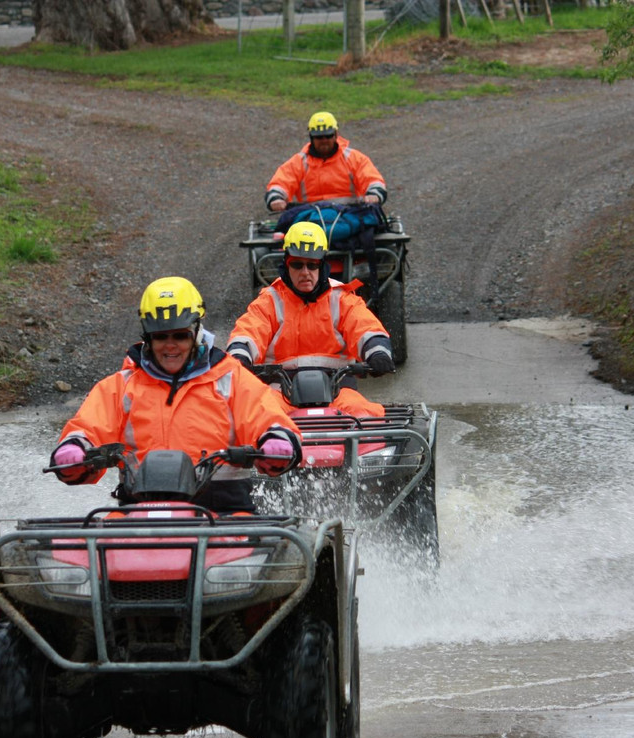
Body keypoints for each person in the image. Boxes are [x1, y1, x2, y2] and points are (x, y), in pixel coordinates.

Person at [50, 276, 302, 513]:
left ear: (197, 332)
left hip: (225, 516)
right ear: (147, 338)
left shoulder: (231, 379)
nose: (170, 345)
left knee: (281, 554)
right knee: (91, 554)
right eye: (161, 337)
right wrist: (75, 448)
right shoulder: (121, 387)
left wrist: (276, 440)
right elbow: (88, 427)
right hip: (136, 518)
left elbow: (267, 417)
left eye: (180, 335)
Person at [226, 222, 395, 418]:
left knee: (366, 416)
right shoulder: (269, 301)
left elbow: (365, 328)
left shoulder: (342, 298)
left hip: (338, 390)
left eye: (312, 265)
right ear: (286, 265)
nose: (305, 272)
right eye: (297, 264)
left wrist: (378, 352)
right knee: (259, 417)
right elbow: (248, 332)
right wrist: (239, 357)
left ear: (322, 266)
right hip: (280, 391)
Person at [265, 111, 387, 213]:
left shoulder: (354, 158)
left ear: (336, 135)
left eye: (328, 135)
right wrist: (276, 198)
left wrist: (374, 194)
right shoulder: (299, 162)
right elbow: (281, 183)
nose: (324, 140)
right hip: (309, 218)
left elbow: (372, 180)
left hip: (350, 214)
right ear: (311, 137)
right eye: (318, 136)